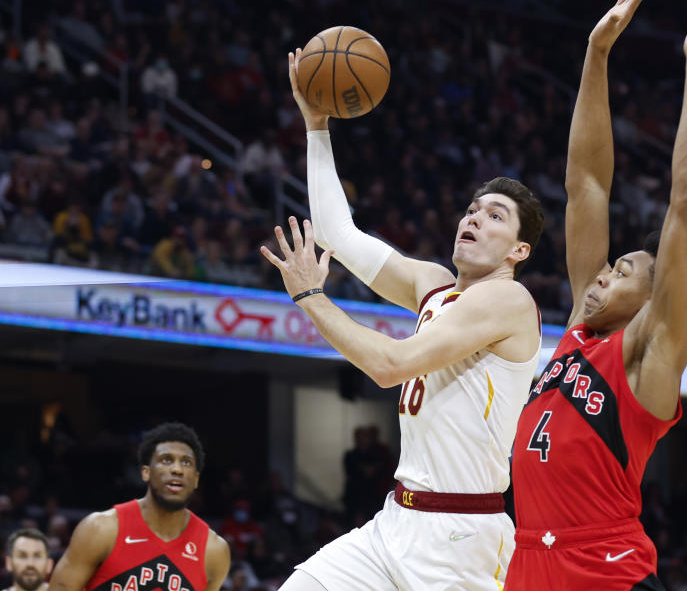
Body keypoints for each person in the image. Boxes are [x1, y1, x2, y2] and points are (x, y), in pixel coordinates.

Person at [259, 48, 545, 590]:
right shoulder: (433, 285)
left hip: (461, 538)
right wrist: (316, 127)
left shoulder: (508, 302)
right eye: (472, 209)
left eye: (495, 216)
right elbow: (338, 236)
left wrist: (311, 298)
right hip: (396, 520)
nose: (475, 218)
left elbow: (391, 365)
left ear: (519, 251)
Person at [505, 0, 687, 590]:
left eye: (623, 272)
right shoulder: (578, 335)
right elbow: (587, 183)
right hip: (529, 560)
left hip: (604, 569)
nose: (602, 274)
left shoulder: (649, 353)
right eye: (610, 265)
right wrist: (596, 53)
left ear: (654, 296)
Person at [47, 423, 230, 591]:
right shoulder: (101, 529)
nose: (177, 470)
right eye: (166, 460)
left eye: (186, 462)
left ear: (196, 479)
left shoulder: (214, 551)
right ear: (146, 472)